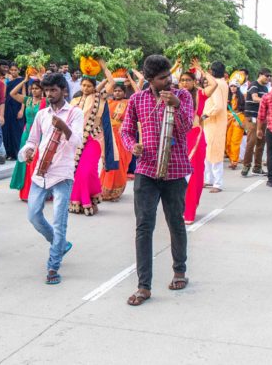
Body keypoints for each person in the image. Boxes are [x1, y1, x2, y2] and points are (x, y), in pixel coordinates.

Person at [120, 54, 194, 306]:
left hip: (175, 170)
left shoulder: (183, 96)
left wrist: (175, 104)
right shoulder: (137, 99)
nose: (169, 82)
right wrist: (133, 146)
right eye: (163, 78)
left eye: (170, 76)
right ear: (150, 79)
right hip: (146, 170)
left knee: (175, 222)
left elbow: (187, 127)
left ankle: (179, 271)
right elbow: (126, 130)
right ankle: (143, 286)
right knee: (144, 227)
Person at [20, 73, 84, 284]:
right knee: (33, 215)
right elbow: (32, 140)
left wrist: (63, 126)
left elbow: (76, 141)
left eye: (53, 90)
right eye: (46, 91)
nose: (49, 94)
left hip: (63, 174)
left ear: (64, 90)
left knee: (59, 222)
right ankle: (61, 244)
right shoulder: (42, 115)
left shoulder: (75, 113)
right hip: (41, 173)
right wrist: (28, 152)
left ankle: (53, 266)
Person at [69, 62, 118, 215]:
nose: (85, 88)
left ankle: (87, 201)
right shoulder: (74, 101)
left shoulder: (99, 98)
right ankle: (82, 201)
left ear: (94, 87)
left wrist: (102, 64)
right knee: (77, 173)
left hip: (94, 140)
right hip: (77, 141)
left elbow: (112, 82)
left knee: (87, 170)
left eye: (89, 86)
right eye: (83, 85)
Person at [101, 74, 141, 202]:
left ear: (124, 93)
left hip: (123, 135)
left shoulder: (129, 103)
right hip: (109, 136)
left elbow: (138, 90)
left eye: (120, 91)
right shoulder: (108, 102)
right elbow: (102, 93)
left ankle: (116, 191)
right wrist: (109, 78)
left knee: (121, 163)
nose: (117, 93)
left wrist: (129, 77)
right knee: (108, 161)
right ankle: (104, 189)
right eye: (115, 91)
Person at [9, 78, 45, 201]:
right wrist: (24, 81)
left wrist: (42, 79)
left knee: (37, 162)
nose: (34, 91)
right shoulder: (28, 100)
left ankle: (38, 192)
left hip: (41, 135)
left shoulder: (45, 102)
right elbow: (12, 93)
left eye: (37, 88)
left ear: (42, 90)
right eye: (32, 88)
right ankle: (25, 192)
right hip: (27, 134)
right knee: (25, 161)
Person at [180, 71, 208, 224]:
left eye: (188, 80)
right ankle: (180, 207)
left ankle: (189, 211)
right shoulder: (175, 95)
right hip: (179, 138)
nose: (184, 83)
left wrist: (199, 67)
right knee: (178, 176)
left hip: (195, 137)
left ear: (194, 82)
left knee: (193, 174)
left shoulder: (199, 95)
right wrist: (176, 65)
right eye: (182, 80)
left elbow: (214, 84)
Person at [201, 62, 229, 192]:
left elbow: (218, 106)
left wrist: (205, 115)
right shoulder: (222, 83)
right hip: (212, 123)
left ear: (212, 72)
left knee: (215, 151)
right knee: (208, 151)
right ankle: (209, 179)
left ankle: (217, 183)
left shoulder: (218, 85)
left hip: (214, 122)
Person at [241, 68, 271, 176]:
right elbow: (254, 98)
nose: (268, 78)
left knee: (261, 143)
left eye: (269, 76)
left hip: (262, 118)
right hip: (252, 117)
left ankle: (257, 167)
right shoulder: (254, 84)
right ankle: (246, 166)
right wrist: (268, 100)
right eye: (266, 75)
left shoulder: (266, 89)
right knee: (251, 142)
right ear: (260, 75)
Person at [2, 63, 24, 161]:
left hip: (17, 106)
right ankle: (9, 152)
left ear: (19, 70)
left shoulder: (22, 80)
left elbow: (24, 96)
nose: (13, 72)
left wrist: (22, 110)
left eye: (15, 70)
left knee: (17, 130)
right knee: (7, 129)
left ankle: (16, 152)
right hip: (8, 106)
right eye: (12, 70)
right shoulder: (8, 80)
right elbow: (5, 94)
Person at [224, 83, 245, 169]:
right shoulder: (226, 97)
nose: (232, 88)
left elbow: (243, 110)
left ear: (238, 87)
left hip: (238, 119)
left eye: (234, 86)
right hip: (228, 120)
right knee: (228, 141)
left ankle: (234, 161)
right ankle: (231, 157)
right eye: (231, 86)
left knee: (235, 141)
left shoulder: (241, 97)